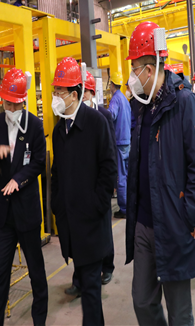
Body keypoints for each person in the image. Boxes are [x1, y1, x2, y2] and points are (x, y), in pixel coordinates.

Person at [125, 21, 195, 326]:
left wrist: (188, 214)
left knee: (179, 312)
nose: (132, 76)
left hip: (174, 222)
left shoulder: (185, 103)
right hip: (143, 221)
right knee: (142, 301)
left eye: (134, 68)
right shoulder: (140, 107)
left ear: (150, 69)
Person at [51, 57, 117, 326]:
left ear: (74, 94)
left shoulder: (96, 123)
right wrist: (57, 205)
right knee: (87, 288)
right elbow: (57, 172)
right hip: (71, 225)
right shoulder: (59, 130)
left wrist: (96, 205)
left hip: (91, 225)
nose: (55, 98)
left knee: (91, 293)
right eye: (54, 92)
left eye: (59, 92)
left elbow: (109, 169)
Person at [0, 68, 48, 326]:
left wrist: (18, 179)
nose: (9, 108)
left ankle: (39, 321)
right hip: (6, 216)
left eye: (14, 104)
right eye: (6, 103)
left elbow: (39, 162)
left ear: (23, 101)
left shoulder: (34, 125)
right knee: (0, 274)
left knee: (36, 273)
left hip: (27, 213)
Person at [65, 71, 116, 298]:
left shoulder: (103, 117)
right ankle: (79, 280)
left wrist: (104, 193)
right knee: (80, 240)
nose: (83, 96)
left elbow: (109, 154)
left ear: (91, 93)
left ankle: (108, 266)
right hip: (81, 194)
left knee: (104, 232)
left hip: (98, 189)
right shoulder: (68, 120)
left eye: (86, 92)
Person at [107, 71, 131, 219]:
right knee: (127, 175)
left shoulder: (115, 99)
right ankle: (129, 204)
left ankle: (124, 208)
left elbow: (110, 116)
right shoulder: (124, 99)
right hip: (127, 141)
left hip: (119, 142)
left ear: (112, 84)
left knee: (121, 177)